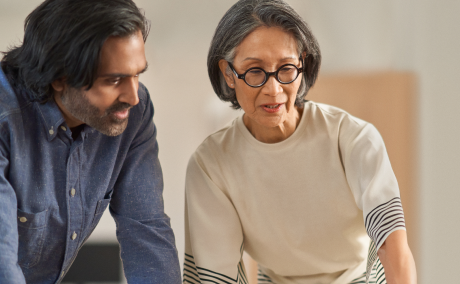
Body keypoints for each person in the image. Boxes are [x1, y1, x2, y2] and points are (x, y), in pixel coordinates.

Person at [183, 0, 417, 283]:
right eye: (255, 71)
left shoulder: (353, 139)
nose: (274, 89)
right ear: (228, 74)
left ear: (303, 64)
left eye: (286, 68)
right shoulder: (210, 165)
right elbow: (218, 276)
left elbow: (392, 245)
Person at [0, 0, 181, 283]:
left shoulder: (134, 112)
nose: (133, 96)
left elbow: (146, 230)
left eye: (137, 74)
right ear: (59, 77)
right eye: (114, 80)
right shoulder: (4, 117)